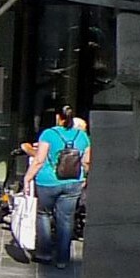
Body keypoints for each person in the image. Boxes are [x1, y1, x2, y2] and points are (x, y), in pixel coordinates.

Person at [29, 104, 91, 268]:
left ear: (59, 117)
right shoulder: (83, 136)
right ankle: (63, 259)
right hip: (73, 182)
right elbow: (86, 162)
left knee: (43, 214)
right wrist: (84, 178)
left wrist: (27, 178)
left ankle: (45, 253)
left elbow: (39, 160)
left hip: (48, 181)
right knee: (66, 219)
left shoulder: (48, 134)